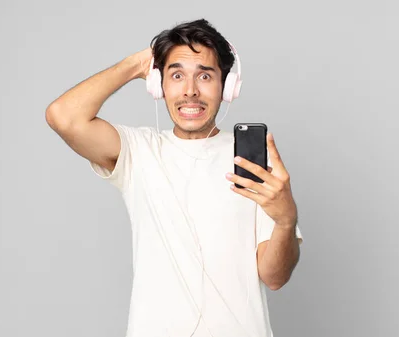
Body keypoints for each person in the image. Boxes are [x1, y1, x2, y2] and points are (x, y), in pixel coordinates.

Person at [45, 18, 303, 337]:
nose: (190, 91)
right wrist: (136, 64)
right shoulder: (138, 151)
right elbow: (63, 117)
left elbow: (275, 277)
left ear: (228, 86)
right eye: (176, 75)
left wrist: (286, 221)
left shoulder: (252, 161)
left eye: (205, 76)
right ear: (158, 85)